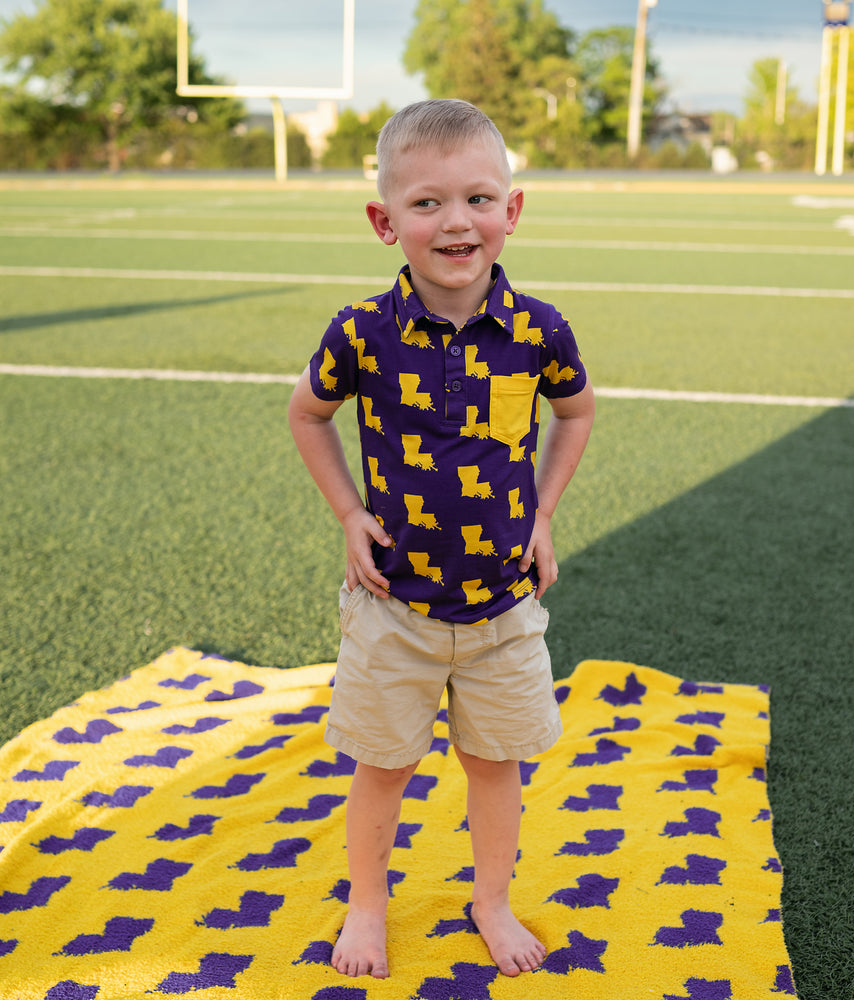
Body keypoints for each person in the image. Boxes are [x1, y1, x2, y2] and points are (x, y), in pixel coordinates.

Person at [288, 98, 595, 980]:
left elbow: (575, 414)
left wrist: (541, 512)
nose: (456, 221)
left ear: (512, 211)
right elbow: (308, 414)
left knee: (495, 766)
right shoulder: (362, 332)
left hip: (503, 606)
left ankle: (490, 901)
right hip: (394, 606)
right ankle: (368, 906)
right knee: (382, 768)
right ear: (387, 223)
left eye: (478, 198)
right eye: (427, 204)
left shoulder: (539, 329)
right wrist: (350, 515)